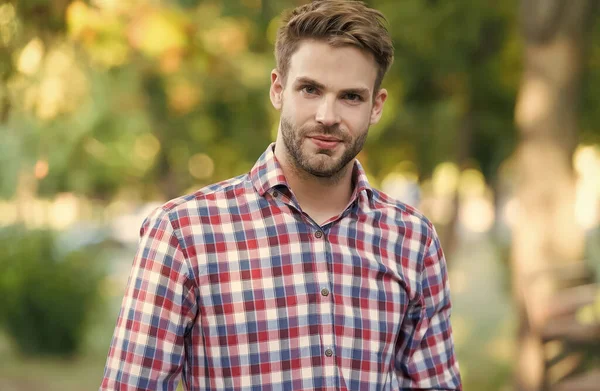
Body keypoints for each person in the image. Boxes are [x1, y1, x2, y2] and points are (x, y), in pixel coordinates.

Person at [100, 1, 462, 390]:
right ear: (278, 89)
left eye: (351, 97)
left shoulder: (412, 239)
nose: (327, 115)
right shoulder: (182, 234)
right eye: (310, 89)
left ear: (376, 106)